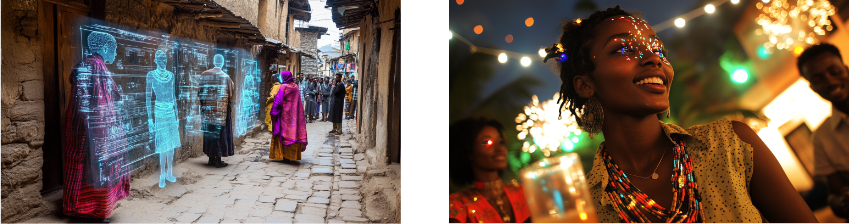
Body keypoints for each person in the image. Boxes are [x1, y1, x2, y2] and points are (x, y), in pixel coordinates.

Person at [537, 6, 817, 223]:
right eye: (623, 48)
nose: (654, 58)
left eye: (658, 49)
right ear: (586, 85)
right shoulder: (584, 206)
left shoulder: (731, 143)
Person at [63, 31, 130, 223]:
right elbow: (100, 104)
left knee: (82, 167)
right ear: (106, 48)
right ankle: (95, 211)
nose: (116, 54)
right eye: (115, 49)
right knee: (97, 169)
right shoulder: (97, 68)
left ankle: (82, 208)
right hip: (96, 129)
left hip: (81, 126)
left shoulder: (85, 65)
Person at [797, 43, 850, 220]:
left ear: (846, 68)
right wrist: (842, 203)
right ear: (813, 88)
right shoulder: (822, 137)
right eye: (818, 79)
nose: (830, 81)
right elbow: (834, 194)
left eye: (834, 71)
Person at [448, 117, 531, 224]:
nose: (500, 148)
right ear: (468, 151)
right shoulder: (457, 206)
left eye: (500, 142)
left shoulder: (526, 192)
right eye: (487, 142)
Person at [146, 50, 181, 188]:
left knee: (171, 144)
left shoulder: (171, 76)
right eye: (160, 60)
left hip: (170, 111)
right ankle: (162, 174)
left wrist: (177, 116)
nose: (163, 62)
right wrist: (150, 119)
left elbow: (173, 96)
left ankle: (170, 172)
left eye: (164, 60)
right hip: (159, 110)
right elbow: (148, 97)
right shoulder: (151, 75)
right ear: (155, 61)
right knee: (162, 145)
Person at [199, 54, 234, 168]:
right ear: (222, 63)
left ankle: (210, 159)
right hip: (221, 111)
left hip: (208, 110)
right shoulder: (226, 77)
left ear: (213, 62)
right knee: (219, 134)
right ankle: (218, 161)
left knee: (210, 133)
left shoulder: (204, 75)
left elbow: (200, 92)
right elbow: (230, 94)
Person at [269, 71, 309, 163]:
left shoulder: (283, 87)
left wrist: (273, 109)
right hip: (294, 116)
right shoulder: (295, 86)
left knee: (283, 134)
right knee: (293, 133)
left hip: (284, 116)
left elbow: (278, 101)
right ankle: (293, 156)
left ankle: (284, 156)